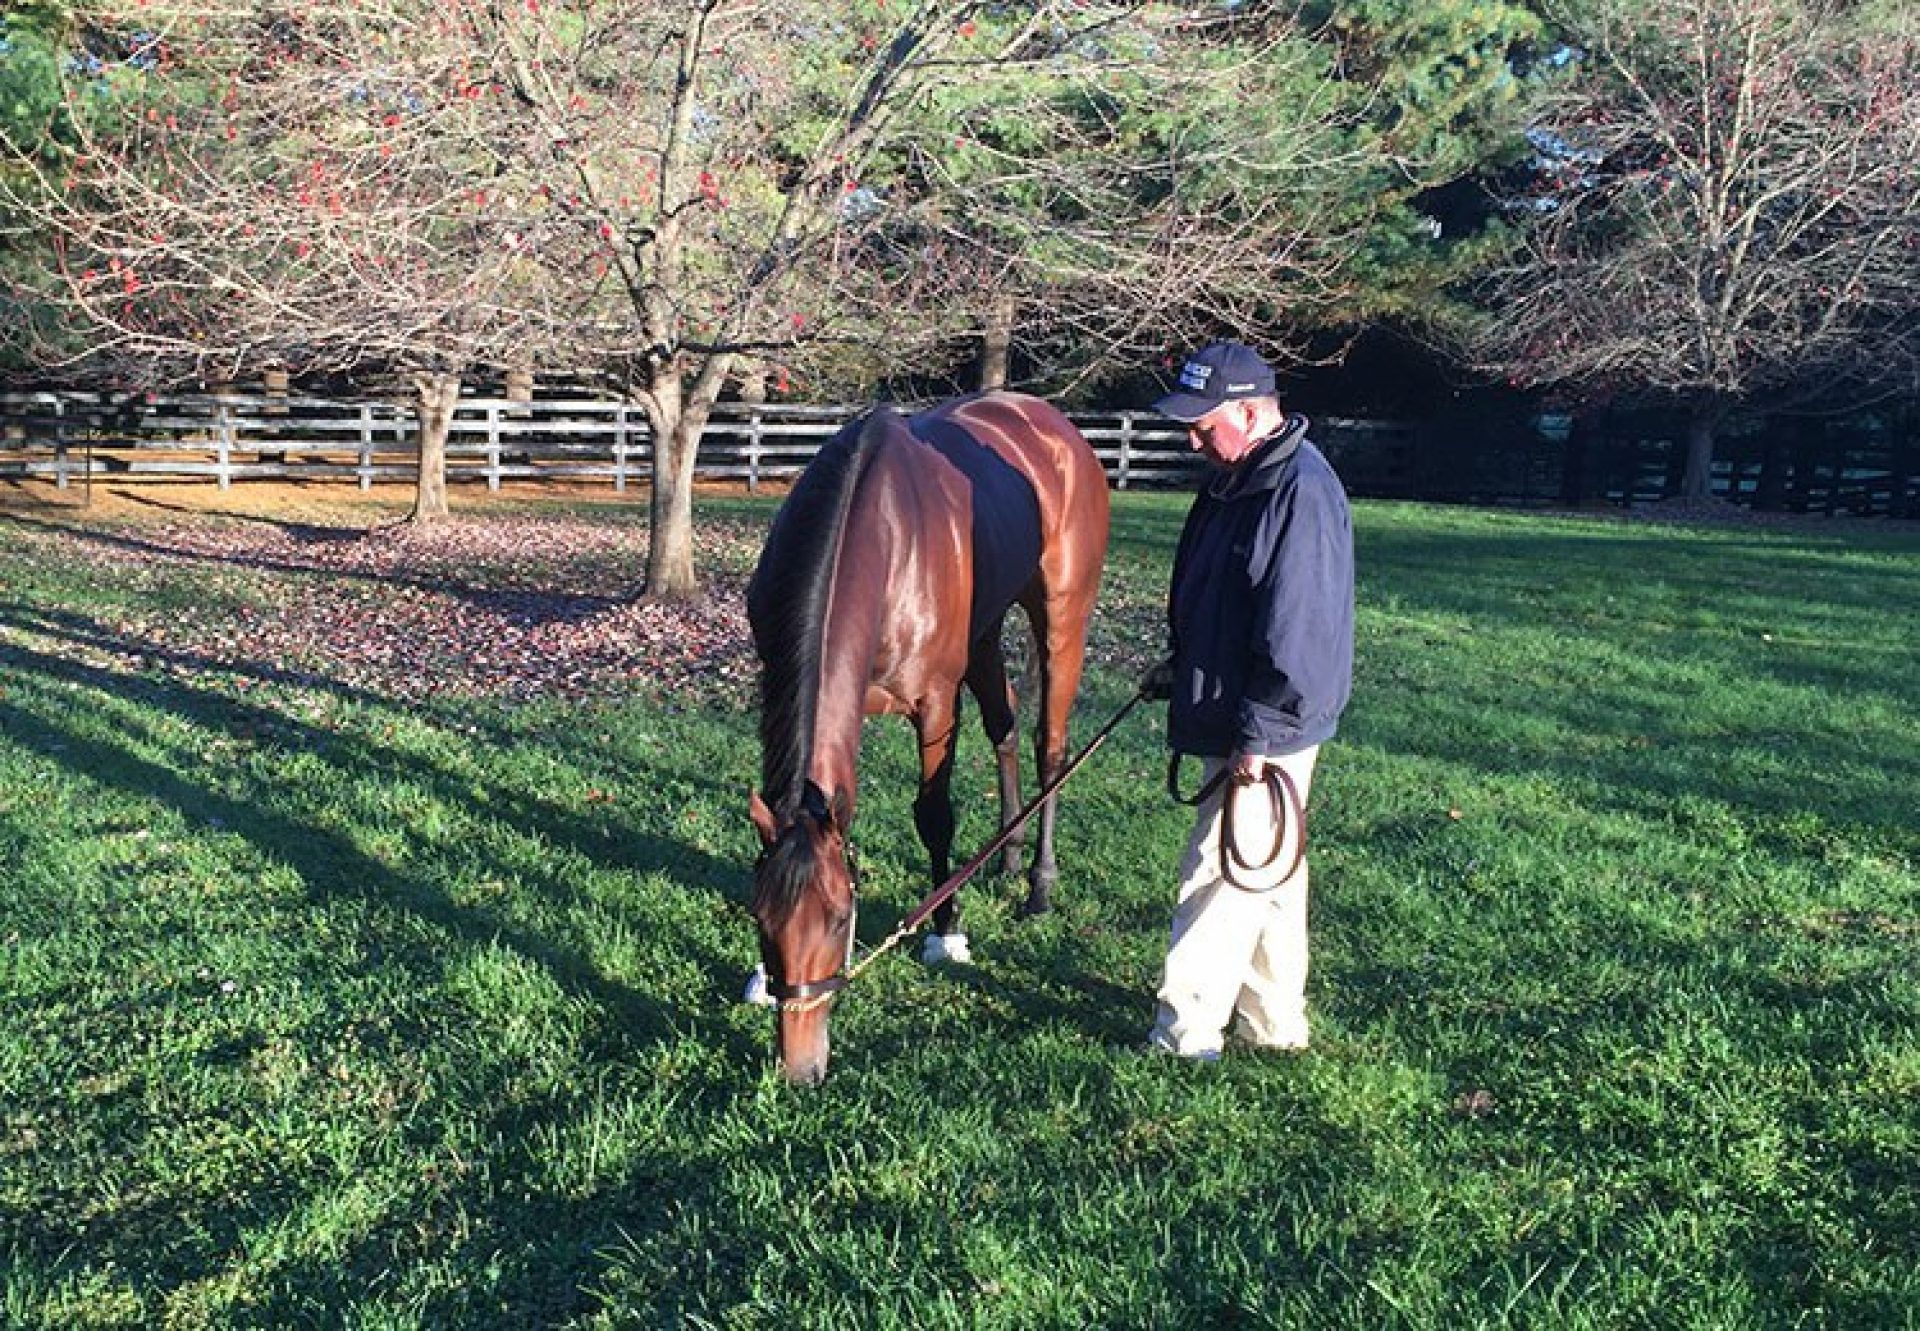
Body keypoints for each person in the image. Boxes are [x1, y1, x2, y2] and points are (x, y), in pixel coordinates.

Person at [1141, 340, 1354, 1059]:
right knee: (1270, 868)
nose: (1193, 436)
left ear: (1253, 410)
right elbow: (1221, 596)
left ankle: (1185, 1034)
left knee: (1224, 868)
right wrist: (1183, 665)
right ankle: (1275, 1024)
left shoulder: (1300, 493)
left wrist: (1257, 738)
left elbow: (1298, 630)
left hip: (1272, 717)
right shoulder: (1236, 480)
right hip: (1239, 705)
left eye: (1204, 423)